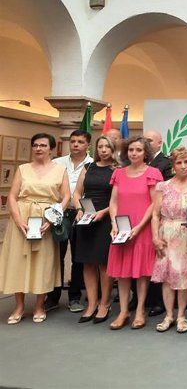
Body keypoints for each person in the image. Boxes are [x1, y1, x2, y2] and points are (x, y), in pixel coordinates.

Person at [0, 133, 70, 324]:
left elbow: (65, 197)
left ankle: (40, 305)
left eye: (43, 145)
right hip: (23, 217)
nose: (38, 148)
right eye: (35, 145)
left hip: (45, 218)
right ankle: (19, 306)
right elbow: (13, 196)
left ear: (52, 149)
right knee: (18, 261)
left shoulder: (60, 169)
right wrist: (17, 219)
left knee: (43, 262)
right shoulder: (22, 169)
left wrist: (53, 218)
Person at [107, 136, 163, 330]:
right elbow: (113, 202)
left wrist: (139, 227)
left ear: (145, 153)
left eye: (138, 150)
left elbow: (155, 203)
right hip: (122, 229)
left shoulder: (153, 173)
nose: (134, 153)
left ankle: (140, 310)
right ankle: (123, 311)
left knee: (141, 273)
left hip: (143, 228)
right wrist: (114, 224)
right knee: (122, 272)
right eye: (131, 150)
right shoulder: (119, 174)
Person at [151, 146, 187, 334]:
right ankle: (168, 315)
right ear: (173, 165)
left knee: (184, 276)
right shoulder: (163, 186)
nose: (183, 166)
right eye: (179, 162)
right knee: (167, 276)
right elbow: (155, 215)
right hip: (167, 233)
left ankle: (182, 315)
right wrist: (155, 237)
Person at [71, 135, 116, 324]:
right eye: (100, 146)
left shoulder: (117, 170)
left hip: (104, 220)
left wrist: (104, 212)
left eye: (107, 147)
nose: (103, 150)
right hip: (86, 218)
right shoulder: (88, 168)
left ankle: (104, 303)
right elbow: (77, 193)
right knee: (87, 263)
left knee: (102, 264)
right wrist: (79, 209)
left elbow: (117, 200)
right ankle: (91, 304)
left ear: (113, 150)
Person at [48, 129, 93, 313]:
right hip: (59, 213)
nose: (75, 144)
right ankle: (53, 297)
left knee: (78, 257)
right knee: (56, 256)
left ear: (87, 145)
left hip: (81, 214)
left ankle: (75, 297)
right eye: (72, 141)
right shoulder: (57, 163)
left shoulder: (93, 165)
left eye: (80, 142)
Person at [144, 129, 173, 317]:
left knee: (156, 260)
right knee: (139, 259)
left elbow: (167, 194)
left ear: (159, 144)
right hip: (137, 216)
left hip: (157, 217)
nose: (145, 144)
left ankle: (156, 301)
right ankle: (138, 297)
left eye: (149, 141)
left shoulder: (166, 163)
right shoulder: (136, 162)